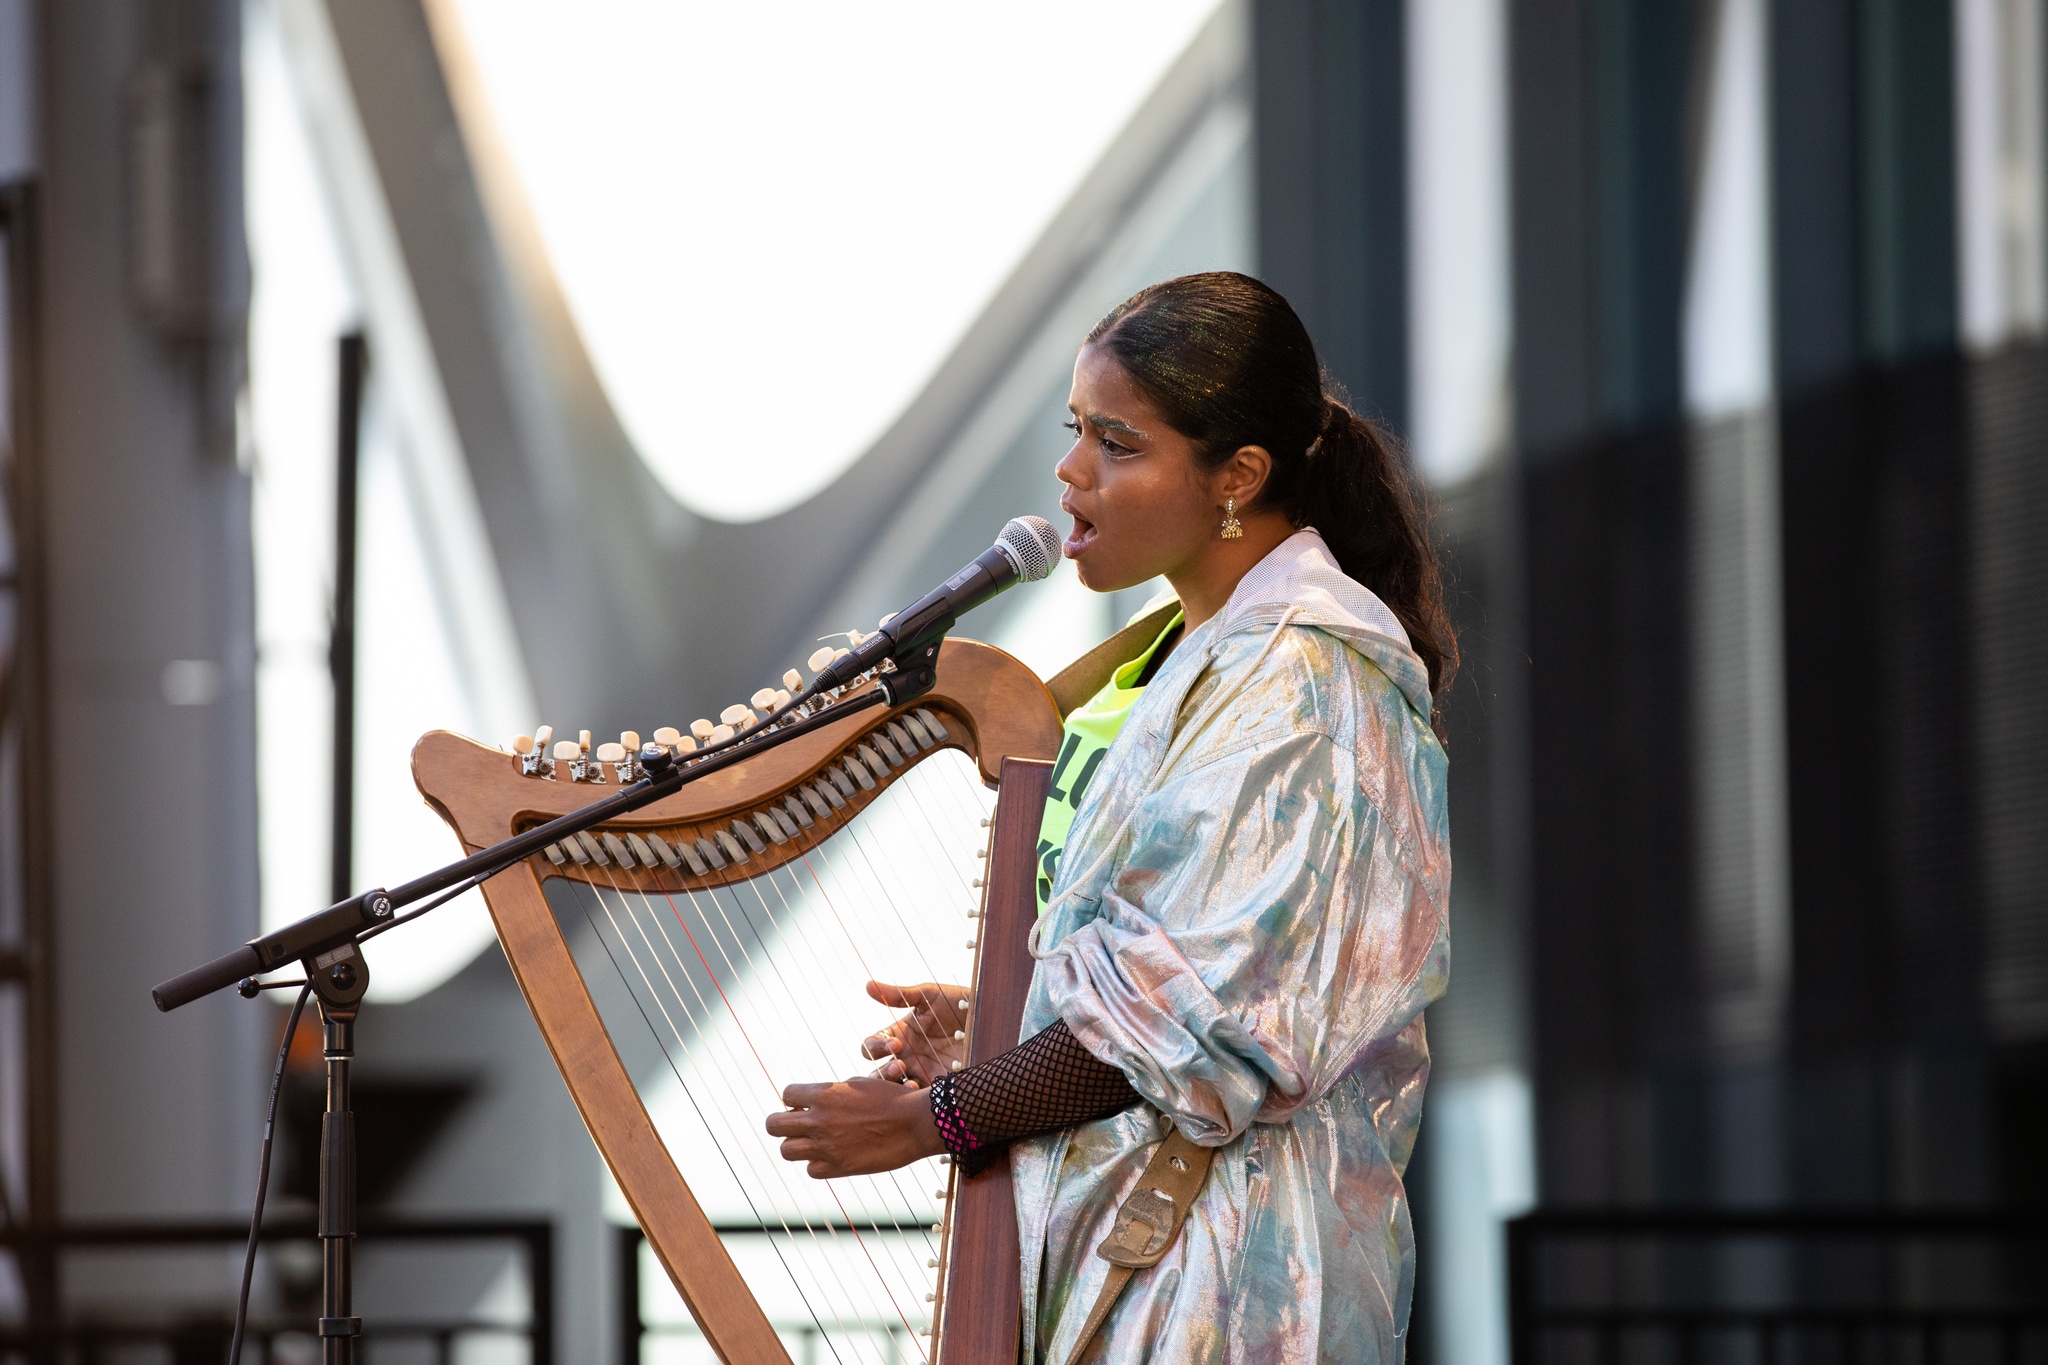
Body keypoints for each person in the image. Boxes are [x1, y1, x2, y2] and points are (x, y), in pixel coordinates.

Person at [766, 271, 1454, 1364]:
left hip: (1226, 1289)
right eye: (1075, 431)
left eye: (1118, 445)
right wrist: (1014, 1014)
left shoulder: (1301, 684)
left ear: (1237, 476)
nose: (1069, 472)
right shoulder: (1193, 656)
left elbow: (1197, 1030)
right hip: (1142, 1259)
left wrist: (930, 1120)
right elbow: (1178, 977)